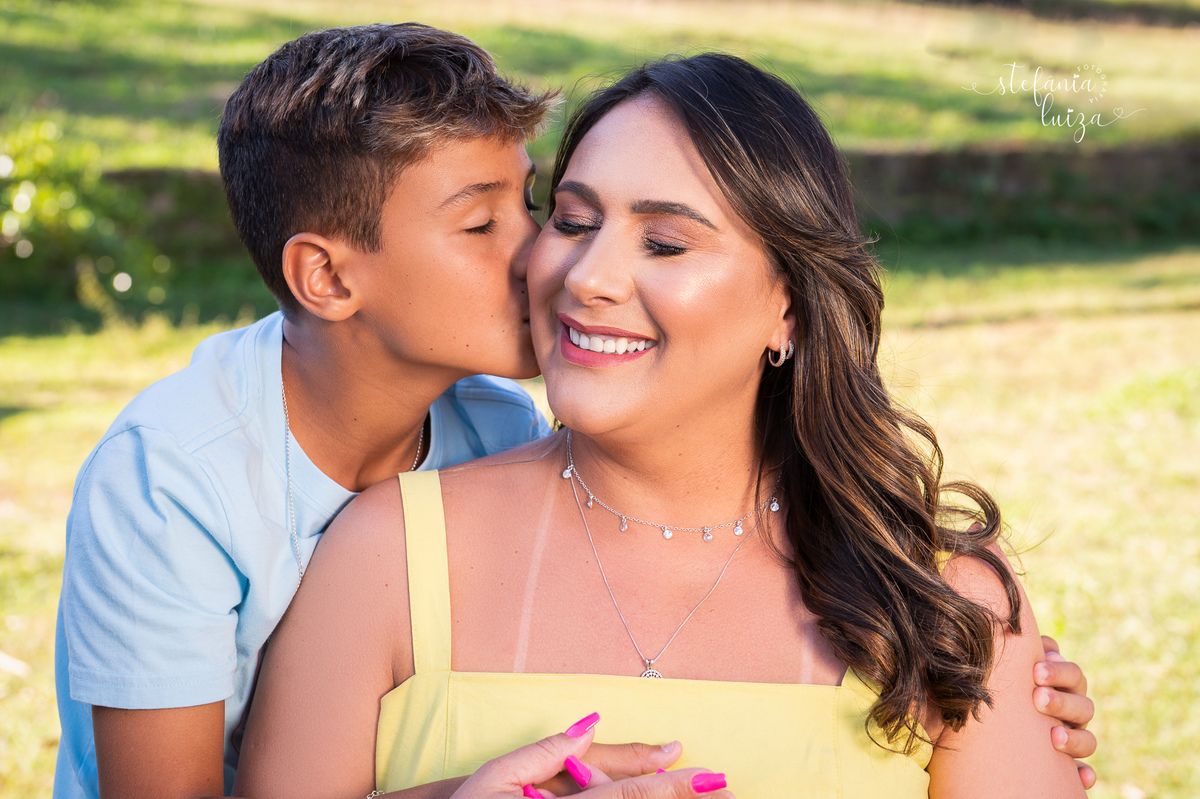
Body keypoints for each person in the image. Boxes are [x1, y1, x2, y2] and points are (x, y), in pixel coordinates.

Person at [233, 53, 1097, 799]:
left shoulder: (946, 605)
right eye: (573, 220)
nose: (586, 276)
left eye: (666, 243)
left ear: (789, 308)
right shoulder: (386, 554)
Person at [54, 24, 689, 799]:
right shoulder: (172, 483)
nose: (542, 253)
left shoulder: (499, 429)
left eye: (529, 203)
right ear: (325, 278)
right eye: (480, 225)